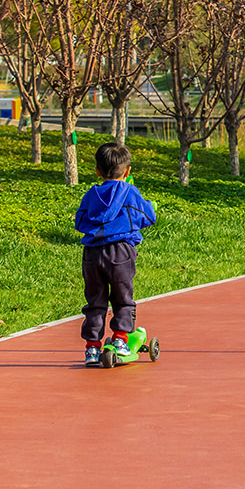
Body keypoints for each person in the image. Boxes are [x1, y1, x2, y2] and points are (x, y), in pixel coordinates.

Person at [74, 141, 157, 367]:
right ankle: (120, 341)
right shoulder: (130, 191)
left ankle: (92, 348)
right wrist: (149, 206)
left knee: (95, 301)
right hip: (120, 252)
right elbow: (148, 217)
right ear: (128, 171)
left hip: (92, 254)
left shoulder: (91, 195)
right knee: (122, 298)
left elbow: (79, 221)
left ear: (97, 171)